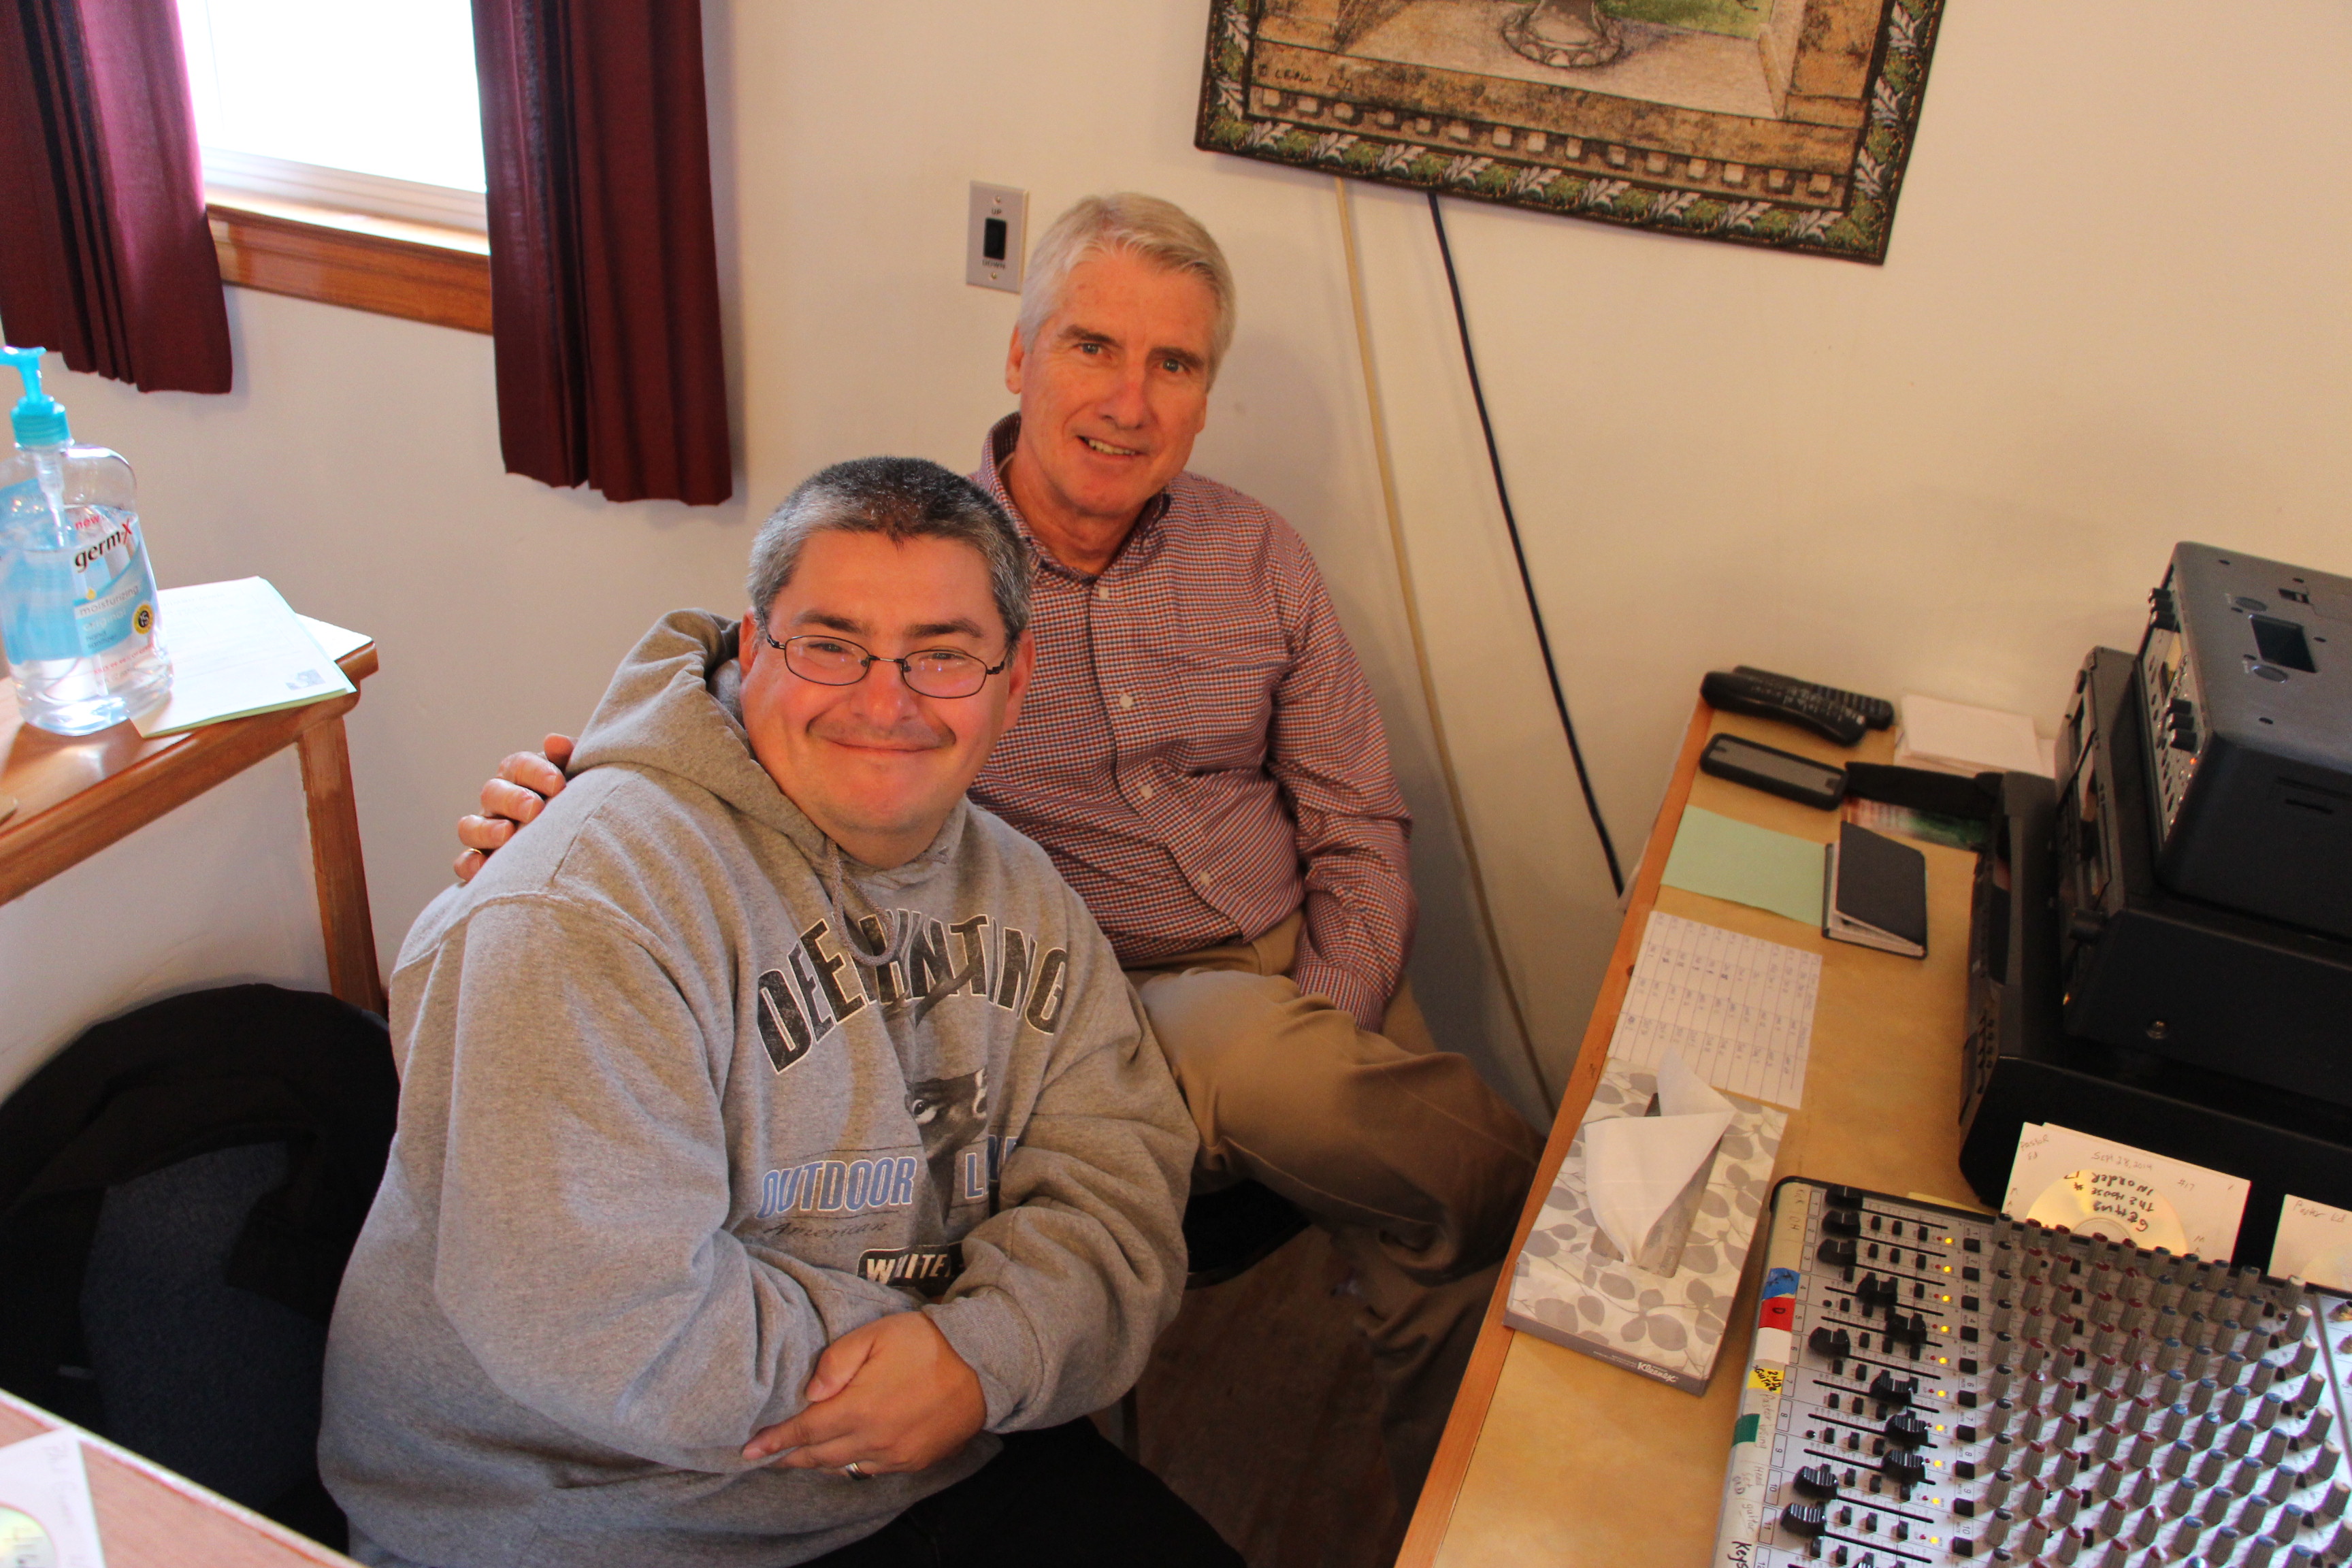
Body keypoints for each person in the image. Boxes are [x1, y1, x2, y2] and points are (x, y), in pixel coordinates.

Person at [455, 194, 1544, 1501]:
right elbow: (773, 709)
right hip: (1099, 994)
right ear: (1020, 356)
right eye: (1093, 346)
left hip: (1301, 951)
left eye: (1174, 363)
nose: (1129, 401)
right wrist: (570, 806)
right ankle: (1558, 1205)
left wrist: (1332, 1007)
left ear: (1205, 398)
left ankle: (1485, 1498)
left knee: (1442, 1254)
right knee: (1305, 1088)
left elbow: (1356, 814)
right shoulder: (930, 572)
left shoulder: (1259, 554)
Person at [325, 457, 1237, 1568]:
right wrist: (939, 1362)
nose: (885, 702)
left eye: (943, 655)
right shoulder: (583, 910)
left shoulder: (1021, 887)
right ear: (754, 649)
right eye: (831, 645)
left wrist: (982, 1357)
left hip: (938, 1452)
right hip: (596, 1520)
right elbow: (608, 1321)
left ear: (1015, 678)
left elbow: (1122, 1178)